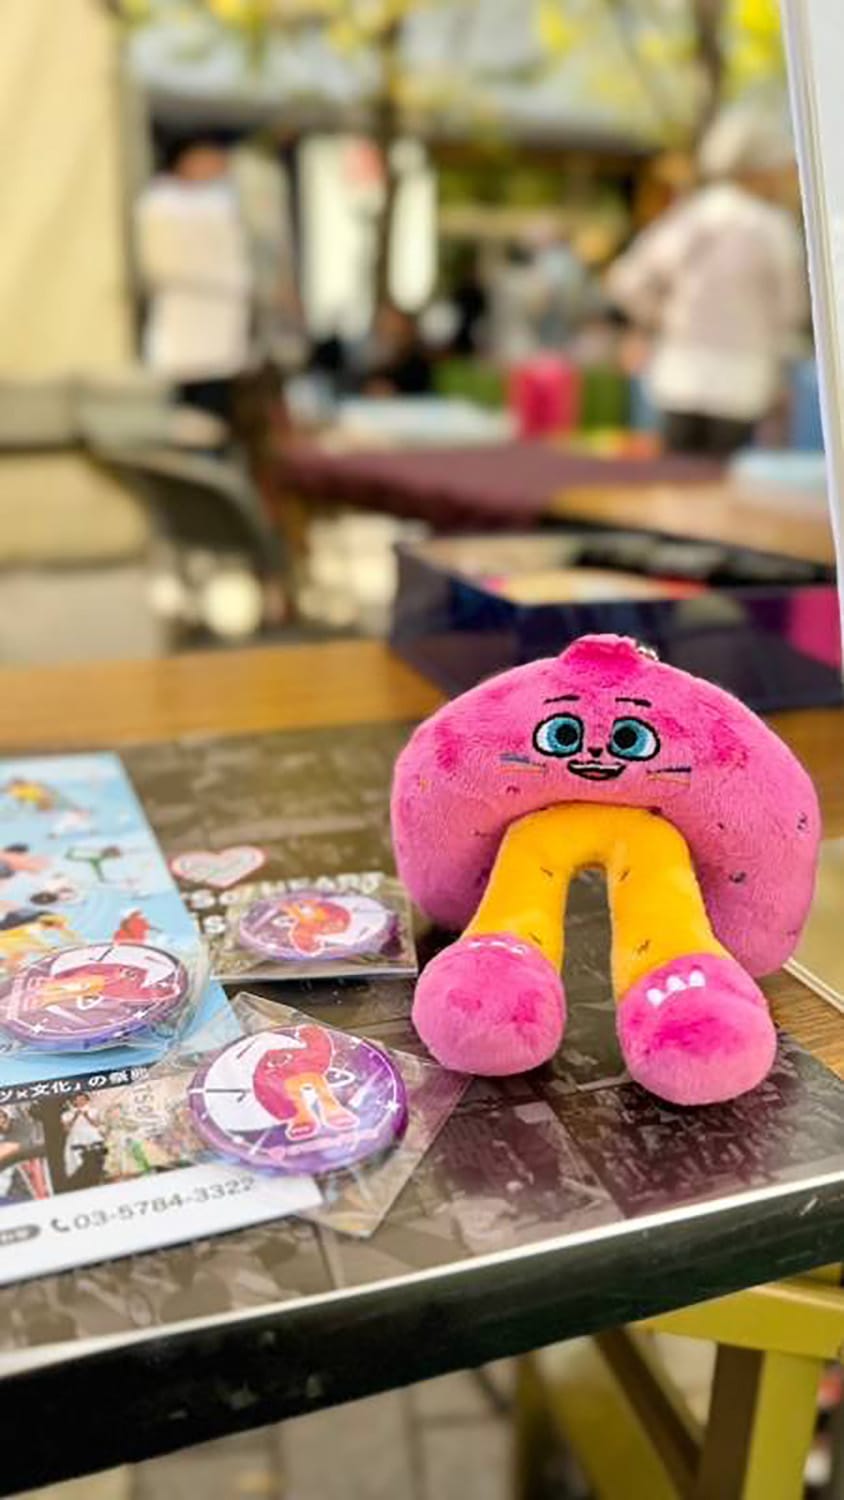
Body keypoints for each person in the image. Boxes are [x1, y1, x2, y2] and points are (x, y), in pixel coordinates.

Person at [606, 106, 808, 457]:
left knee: (674, 477)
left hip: (681, 375)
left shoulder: (691, 216)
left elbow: (628, 281)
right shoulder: (773, 228)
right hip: (743, 380)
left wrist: (660, 319)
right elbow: (791, 310)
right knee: (722, 482)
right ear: (759, 170)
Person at [135, 141, 253, 425]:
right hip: (184, 323)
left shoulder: (221, 200)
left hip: (220, 325)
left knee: (216, 402)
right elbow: (163, 262)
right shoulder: (161, 203)